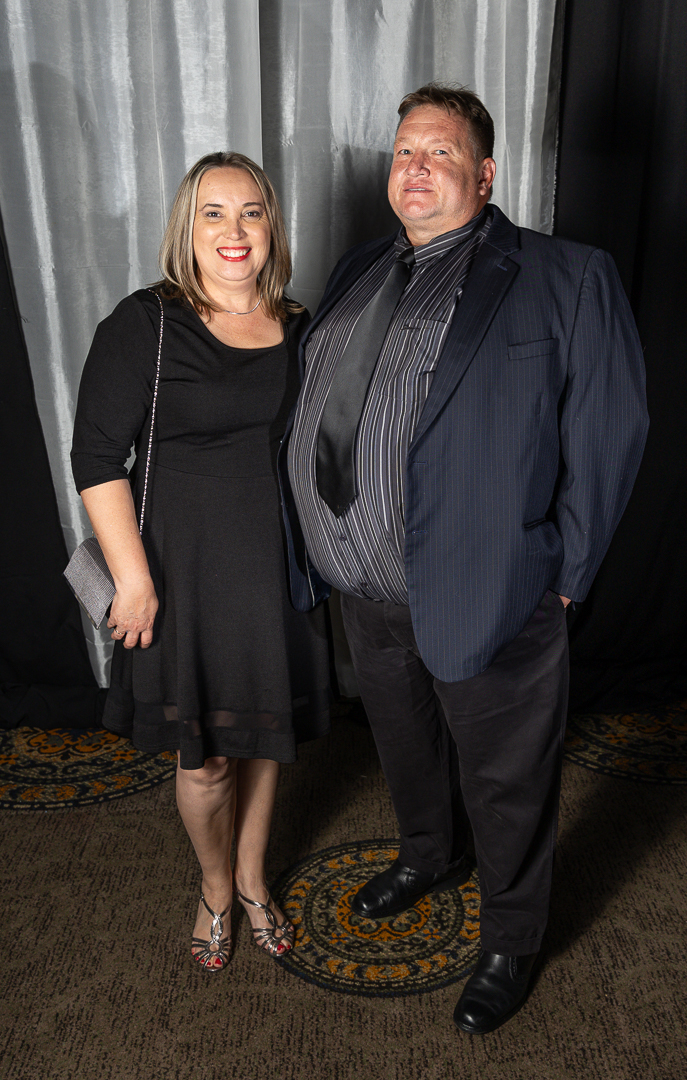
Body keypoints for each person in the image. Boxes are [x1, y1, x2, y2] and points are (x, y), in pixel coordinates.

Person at [279, 84, 648, 1031]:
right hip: (363, 587)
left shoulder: (567, 276)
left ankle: (512, 938)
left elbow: (609, 434)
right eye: (405, 151)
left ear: (484, 174)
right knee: (404, 743)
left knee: (506, 779)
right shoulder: (363, 266)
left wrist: (563, 579)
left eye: (439, 152)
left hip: (494, 591)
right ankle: (428, 852)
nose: (416, 167)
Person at [71, 151, 330, 972]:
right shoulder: (147, 324)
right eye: (213, 213)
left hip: (272, 569)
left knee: (263, 737)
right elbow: (96, 457)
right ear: (188, 228)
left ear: (271, 226)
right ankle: (215, 886)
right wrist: (134, 579)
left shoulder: (301, 325)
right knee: (208, 758)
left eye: (250, 211)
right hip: (179, 576)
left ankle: (253, 879)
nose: (233, 230)